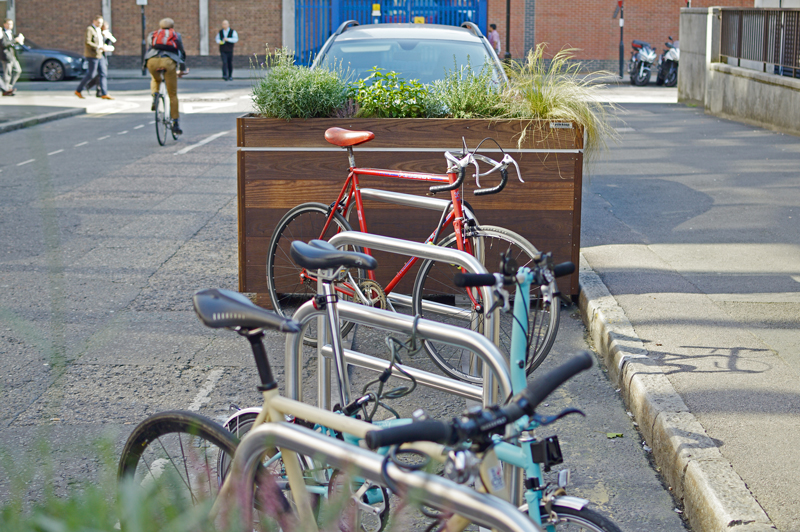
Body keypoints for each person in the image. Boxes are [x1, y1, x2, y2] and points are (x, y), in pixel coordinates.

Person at [144, 18, 188, 135]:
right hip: (169, 62)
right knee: (172, 94)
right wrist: (182, 69)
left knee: (155, 79)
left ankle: (155, 95)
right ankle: (175, 122)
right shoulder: (176, 35)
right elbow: (181, 52)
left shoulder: (152, 34)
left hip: (152, 61)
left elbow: (149, 49)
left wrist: (144, 66)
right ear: (172, 27)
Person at [75, 15, 113, 100]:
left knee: (103, 74)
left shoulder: (99, 30)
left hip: (100, 55)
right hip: (92, 55)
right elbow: (88, 42)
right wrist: (98, 47)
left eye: (101, 23)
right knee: (91, 74)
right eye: (98, 22)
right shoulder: (90, 29)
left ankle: (104, 93)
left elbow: (101, 41)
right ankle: (78, 90)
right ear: (94, 21)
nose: (100, 24)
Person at [86, 22, 116, 98]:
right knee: (101, 74)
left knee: (102, 74)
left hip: (103, 55)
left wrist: (109, 38)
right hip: (98, 55)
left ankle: (97, 89)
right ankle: (98, 90)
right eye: (106, 26)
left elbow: (111, 42)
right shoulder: (99, 33)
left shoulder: (106, 34)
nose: (107, 28)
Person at [1, 18, 24, 96]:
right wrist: (15, 40)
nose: (11, 26)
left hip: (13, 56)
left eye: (11, 24)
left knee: (18, 70)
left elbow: (11, 44)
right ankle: (6, 90)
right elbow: (4, 44)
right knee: (7, 74)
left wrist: (18, 42)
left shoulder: (11, 33)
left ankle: (9, 87)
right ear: (5, 24)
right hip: (6, 56)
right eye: (9, 24)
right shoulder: (2, 33)